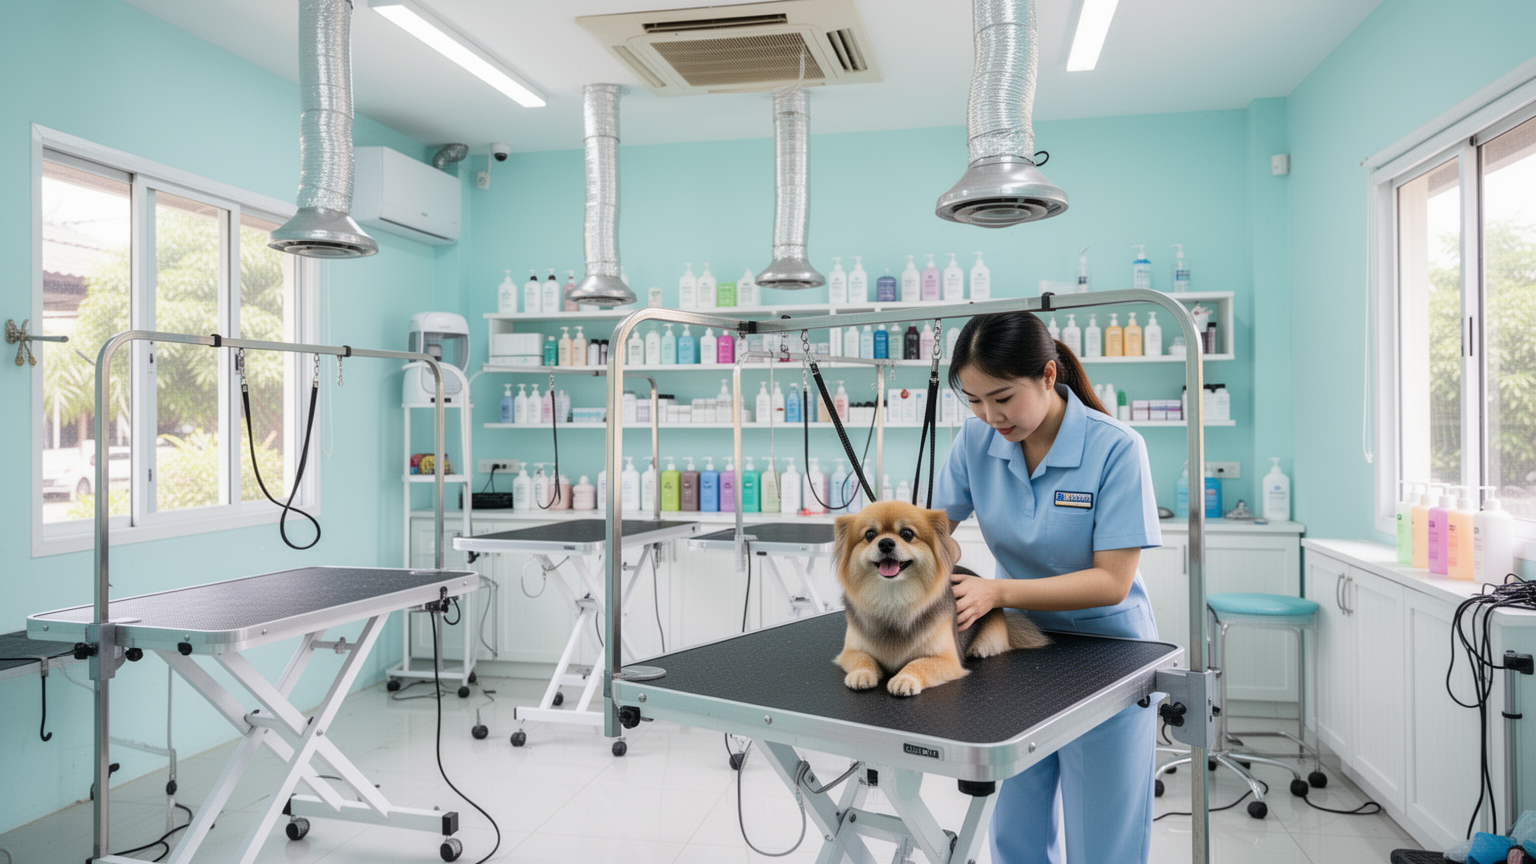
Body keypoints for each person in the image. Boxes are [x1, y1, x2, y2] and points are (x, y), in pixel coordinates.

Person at [932, 310, 1162, 864]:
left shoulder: (1116, 448)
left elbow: (1111, 582)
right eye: (974, 400)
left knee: (1101, 839)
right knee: (1016, 829)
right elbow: (938, 528)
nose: (990, 415)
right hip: (1023, 650)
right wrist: (903, 547)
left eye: (1003, 397)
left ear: (1048, 375)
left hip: (1107, 656)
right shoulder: (975, 439)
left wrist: (997, 592)